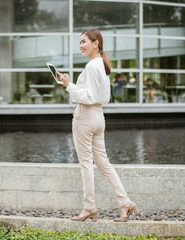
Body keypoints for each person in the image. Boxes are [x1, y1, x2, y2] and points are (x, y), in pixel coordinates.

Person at [56, 29, 139, 222]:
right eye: (80, 42)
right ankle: (125, 202)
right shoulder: (100, 65)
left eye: (84, 41)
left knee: (86, 163)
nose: (81, 45)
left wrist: (68, 85)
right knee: (103, 163)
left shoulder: (92, 66)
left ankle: (89, 206)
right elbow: (101, 97)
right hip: (98, 117)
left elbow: (88, 96)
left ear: (96, 43)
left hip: (85, 117)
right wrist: (69, 84)